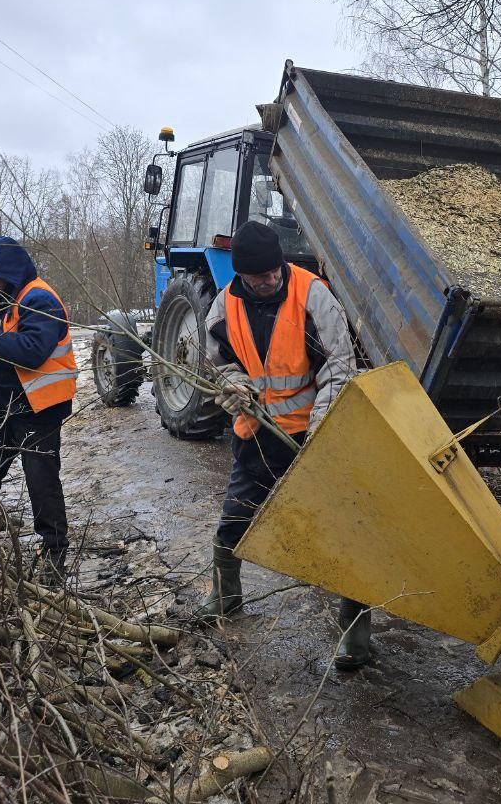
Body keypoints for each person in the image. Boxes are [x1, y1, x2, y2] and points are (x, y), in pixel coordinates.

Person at [198, 220, 372, 670]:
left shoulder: (313, 296)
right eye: (259, 278)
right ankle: (225, 596)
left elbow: (338, 366)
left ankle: (356, 630)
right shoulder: (222, 309)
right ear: (241, 278)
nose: (270, 280)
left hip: (311, 432)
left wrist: (321, 428)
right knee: (236, 516)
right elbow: (219, 363)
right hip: (256, 432)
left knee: (340, 527)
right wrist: (235, 388)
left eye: (274, 272)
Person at [0, 236, 77, 573]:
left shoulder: (39, 298)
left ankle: (54, 552)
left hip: (38, 408)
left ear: (7, 269)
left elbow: (32, 350)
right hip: (3, 406)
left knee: (41, 481)